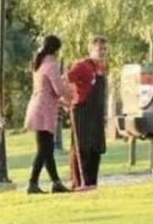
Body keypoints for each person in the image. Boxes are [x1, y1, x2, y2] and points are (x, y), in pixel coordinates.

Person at [23, 35, 70, 194]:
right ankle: (32, 182)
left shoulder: (40, 63)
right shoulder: (51, 64)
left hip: (38, 107)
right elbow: (59, 90)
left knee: (47, 149)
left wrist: (63, 103)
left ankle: (56, 182)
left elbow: (46, 90)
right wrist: (66, 85)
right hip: (44, 111)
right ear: (56, 49)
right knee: (44, 150)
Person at [67, 35, 109, 189]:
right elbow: (66, 79)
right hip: (82, 112)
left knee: (95, 148)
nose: (102, 52)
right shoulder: (81, 65)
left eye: (104, 49)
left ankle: (92, 182)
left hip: (96, 113)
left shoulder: (102, 68)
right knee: (81, 148)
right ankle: (78, 183)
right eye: (99, 49)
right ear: (90, 50)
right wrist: (67, 99)